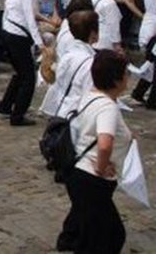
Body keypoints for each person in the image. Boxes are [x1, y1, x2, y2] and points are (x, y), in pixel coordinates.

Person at [56, 50, 132, 253]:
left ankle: (69, 237)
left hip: (80, 175)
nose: (128, 78)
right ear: (117, 80)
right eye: (126, 74)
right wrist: (101, 166)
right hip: (92, 179)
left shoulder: (90, 95)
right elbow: (105, 143)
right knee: (110, 236)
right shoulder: (108, 107)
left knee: (92, 234)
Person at [0, 0, 44, 126]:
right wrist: (39, 43)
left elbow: (13, 13)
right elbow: (30, 20)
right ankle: (18, 115)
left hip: (9, 33)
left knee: (19, 73)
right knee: (28, 77)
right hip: (18, 36)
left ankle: (5, 106)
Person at [40, 10, 98, 118]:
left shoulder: (67, 55)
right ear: (93, 33)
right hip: (77, 114)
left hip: (61, 110)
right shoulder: (90, 61)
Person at [127, 0, 156, 107]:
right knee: (152, 66)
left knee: (151, 66)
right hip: (153, 33)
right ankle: (152, 101)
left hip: (146, 28)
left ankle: (138, 93)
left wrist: (142, 15)